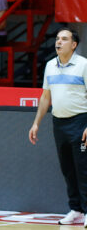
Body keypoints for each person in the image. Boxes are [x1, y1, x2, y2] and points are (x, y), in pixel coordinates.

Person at [29, 28, 87, 226]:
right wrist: (36, 123)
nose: (58, 42)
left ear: (74, 45)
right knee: (67, 169)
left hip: (81, 122)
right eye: (57, 39)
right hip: (59, 123)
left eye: (64, 39)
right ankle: (76, 210)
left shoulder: (84, 65)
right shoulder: (50, 66)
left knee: (83, 168)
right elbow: (46, 97)